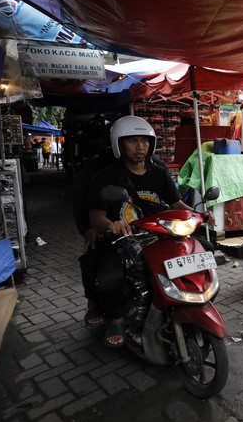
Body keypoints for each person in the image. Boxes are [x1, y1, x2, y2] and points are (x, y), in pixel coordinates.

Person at [86, 115, 211, 348]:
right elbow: (95, 215)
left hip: (158, 234)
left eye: (144, 140)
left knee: (204, 250)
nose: (140, 146)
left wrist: (199, 214)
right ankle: (117, 318)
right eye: (132, 140)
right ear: (119, 144)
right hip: (123, 238)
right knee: (109, 278)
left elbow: (176, 205)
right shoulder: (107, 176)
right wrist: (111, 224)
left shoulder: (159, 172)